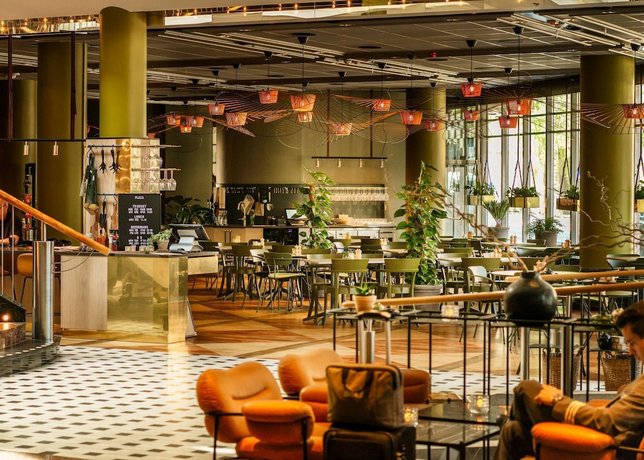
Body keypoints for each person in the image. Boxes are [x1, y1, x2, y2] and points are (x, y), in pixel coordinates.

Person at [496, 301, 644, 459]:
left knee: (526, 388)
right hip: (597, 430)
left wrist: (557, 400)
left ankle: (508, 419)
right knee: (512, 430)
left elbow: (606, 422)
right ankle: (508, 421)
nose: (629, 351)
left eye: (631, 342)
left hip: (602, 443)